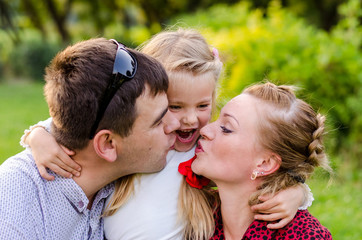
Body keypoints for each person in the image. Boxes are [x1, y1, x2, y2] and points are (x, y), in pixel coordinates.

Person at [20, 30, 310, 239]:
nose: (189, 119)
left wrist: (298, 193)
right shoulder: (134, 143)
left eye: (202, 106)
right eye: (174, 106)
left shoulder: (205, 153)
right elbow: (82, 123)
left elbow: (253, 170)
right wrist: (38, 134)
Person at [0, 37, 180, 239]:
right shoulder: (15, 204)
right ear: (108, 145)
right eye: (158, 121)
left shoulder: (110, 175)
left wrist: (39, 131)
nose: (176, 124)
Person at [191, 82, 333, 239]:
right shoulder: (195, 217)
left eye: (226, 128)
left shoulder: (305, 236)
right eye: (216, 120)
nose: (204, 130)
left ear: (265, 163)